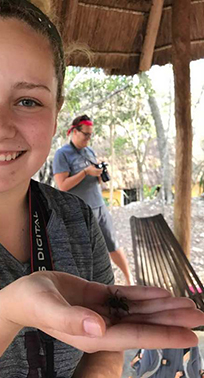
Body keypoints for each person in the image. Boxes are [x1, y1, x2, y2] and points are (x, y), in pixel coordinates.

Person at [0, 1, 203, 377]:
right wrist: (9, 311)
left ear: (56, 113)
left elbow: (103, 351)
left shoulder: (77, 222)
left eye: (27, 101)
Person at [53, 114, 133, 285]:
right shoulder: (62, 154)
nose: (89, 138)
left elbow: (94, 179)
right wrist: (85, 172)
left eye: (91, 135)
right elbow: (62, 186)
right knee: (84, 252)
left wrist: (98, 173)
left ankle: (129, 280)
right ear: (74, 132)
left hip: (99, 206)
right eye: (86, 134)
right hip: (78, 211)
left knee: (112, 243)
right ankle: (88, 287)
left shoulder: (89, 151)